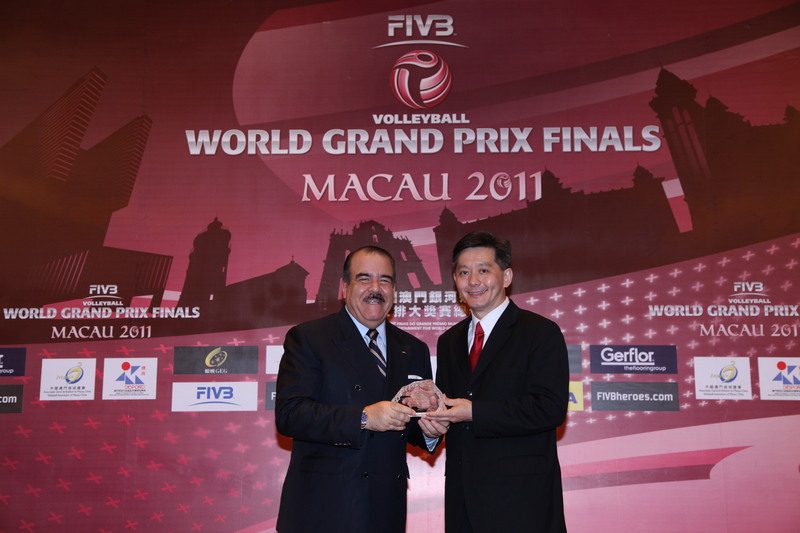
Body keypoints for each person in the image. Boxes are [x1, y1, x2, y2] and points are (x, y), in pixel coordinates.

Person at [275, 245, 446, 533]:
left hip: (385, 507)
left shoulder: (413, 348)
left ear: (394, 290)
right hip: (323, 507)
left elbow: (411, 426)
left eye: (385, 280)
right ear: (345, 287)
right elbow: (291, 414)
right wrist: (363, 417)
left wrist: (431, 430)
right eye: (364, 278)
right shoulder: (309, 338)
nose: (375, 288)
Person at [424, 231, 569, 533]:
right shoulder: (449, 341)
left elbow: (549, 408)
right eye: (464, 272)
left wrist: (475, 412)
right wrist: (433, 423)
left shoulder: (540, 332)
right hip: (463, 499)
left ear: (506, 277)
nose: (473, 281)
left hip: (521, 501)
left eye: (483, 270)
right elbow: (449, 408)